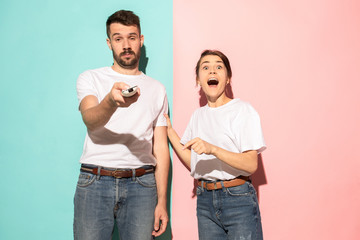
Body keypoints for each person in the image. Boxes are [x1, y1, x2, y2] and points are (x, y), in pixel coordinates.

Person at [74, 10, 170, 240]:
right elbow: (90, 119)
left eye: (132, 37)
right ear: (109, 43)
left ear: (141, 40)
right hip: (95, 180)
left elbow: (160, 148)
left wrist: (162, 202)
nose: (126, 45)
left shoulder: (157, 89)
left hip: (142, 185)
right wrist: (110, 101)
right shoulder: (90, 78)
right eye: (118, 38)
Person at [165, 50, 266, 240]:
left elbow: (251, 164)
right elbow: (194, 162)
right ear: (198, 79)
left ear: (228, 78)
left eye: (219, 67)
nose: (212, 71)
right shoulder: (198, 116)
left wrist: (213, 149)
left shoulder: (243, 110)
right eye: (205, 67)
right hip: (205, 200)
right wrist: (169, 131)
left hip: (238, 198)